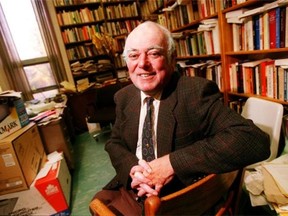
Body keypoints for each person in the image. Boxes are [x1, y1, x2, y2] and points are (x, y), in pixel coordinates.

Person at [90, 21, 270, 215]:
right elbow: (115, 143)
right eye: (134, 55)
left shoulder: (194, 93)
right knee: (97, 204)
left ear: (171, 58)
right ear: (127, 62)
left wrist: (171, 164)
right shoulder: (124, 97)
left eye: (154, 53)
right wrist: (132, 169)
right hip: (135, 188)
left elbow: (253, 140)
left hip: (179, 198)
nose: (142, 63)